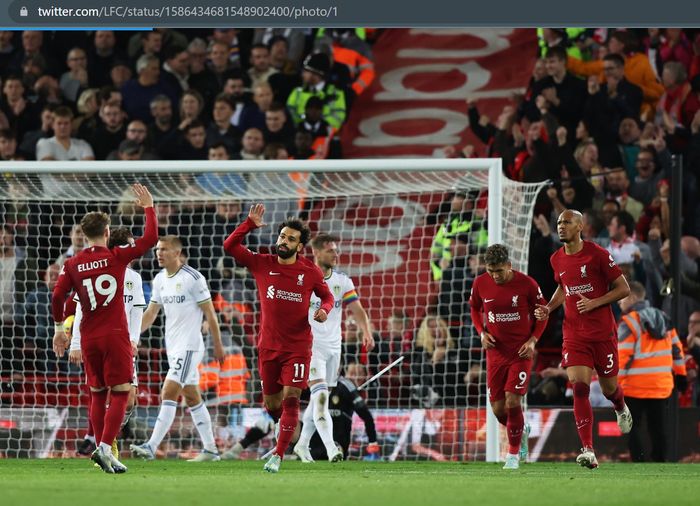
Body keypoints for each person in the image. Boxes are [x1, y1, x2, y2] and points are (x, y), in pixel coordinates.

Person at [51, 183, 157, 474]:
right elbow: (150, 239)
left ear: (84, 235)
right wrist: (148, 207)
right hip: (115, 336)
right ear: (107, 233)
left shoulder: (72, 264)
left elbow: (58, 296)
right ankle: (105, 448)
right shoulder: (117, 258)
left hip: (88, 337)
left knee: (97, 393)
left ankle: (102, 449)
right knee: (122, 392)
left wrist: (59, 329)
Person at [222, 203, 334, 473]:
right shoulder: (263, 263)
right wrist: (248, 224)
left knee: (292, 398)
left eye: (290, 239)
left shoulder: (310, 272)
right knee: (273, 404)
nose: (283, 241)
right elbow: (229, 246)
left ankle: (280, 454)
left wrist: (324, 310)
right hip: (268, 347)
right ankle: (286, 429)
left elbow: (328, 296)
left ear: (300, 247)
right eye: (282, 236)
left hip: (297, 347)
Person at [534, 209, 633, 469]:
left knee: (610, 388)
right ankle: (588, 450)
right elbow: (562, 287)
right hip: (574, 334)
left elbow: (624, 288)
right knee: (579, 387)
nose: (561, 226)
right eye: (558, 223)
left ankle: (620, 406)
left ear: (580, 226)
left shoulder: (597, 254)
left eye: (567, 222)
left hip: (602, 334)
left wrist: (596, 303)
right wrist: (549, 307)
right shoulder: (556, 259)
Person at [130, 235, 224, 462]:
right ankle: (211, 450)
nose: (158, 254)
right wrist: (132, 335)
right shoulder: (159, 279)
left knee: (168, 392)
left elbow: (210, 314)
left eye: (164, 250)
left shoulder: (194, 278)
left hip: (190, 347)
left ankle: (151, 446)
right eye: (157, 250)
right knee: (191, 397)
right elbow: (151, 314)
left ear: (177, 253)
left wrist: (218, 345)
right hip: (172, 347)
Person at [292, 233, 374, 463]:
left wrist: (366, 330)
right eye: (330, 250)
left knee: (323, 398)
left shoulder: (342, 281)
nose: (335, 254)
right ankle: (332, 449)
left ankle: (302, 444)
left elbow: (357, 309)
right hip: (310, 347)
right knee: (319, 398)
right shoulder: (303, 279)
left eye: (336, 250)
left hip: (334, 348)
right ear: (316, 252)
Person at [69, 228, 146, 459]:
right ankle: (103, 445)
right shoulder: (96, 270)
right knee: (101, 394)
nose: (133, 250)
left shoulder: (135, 278)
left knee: (129, 399)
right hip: (98, 340)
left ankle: (105, 441)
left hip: (123, 343)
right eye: (129, 245)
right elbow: (80, 308)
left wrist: (134, 339)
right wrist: (75, 342)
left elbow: (137, 311)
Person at [469, 244, 547, 469]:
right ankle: (520, 431)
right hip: (495, 353)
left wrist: (533, 340)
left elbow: (543, 313)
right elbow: (475, 308)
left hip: (520, 352)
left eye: (499, 271)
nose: (495, 276)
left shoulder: (527, 284)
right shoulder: (480, 283)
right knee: (498, 409)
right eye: (491, 271)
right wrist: (481, 332)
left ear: (509, 266)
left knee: (513, 399)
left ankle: (513, 454)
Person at [617, 281, 687, 462]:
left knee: (631, 427)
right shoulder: (663, 317)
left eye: (621, 298)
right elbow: (677, 349)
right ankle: (660, 463)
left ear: (631, 297)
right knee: (658, 429)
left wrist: (616, 385)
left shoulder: (629, 322)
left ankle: (639, 462)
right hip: (661, 385)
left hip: (634, 385)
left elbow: (622, 356)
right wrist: (681, 374)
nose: (619, 302)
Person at [308, 363, 379, 460]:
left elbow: (367, 416)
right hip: (314, 442)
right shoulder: (313, 383)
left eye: (358, 374)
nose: (355, 377)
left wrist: (372, 441)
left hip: (338, 442)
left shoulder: (346, 386)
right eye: (352, 373)